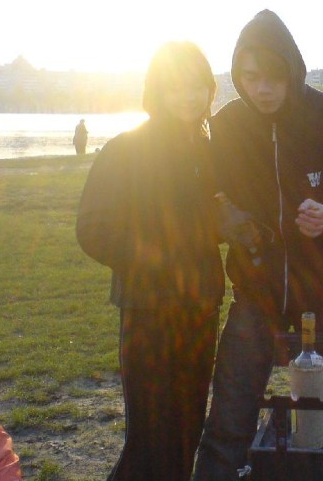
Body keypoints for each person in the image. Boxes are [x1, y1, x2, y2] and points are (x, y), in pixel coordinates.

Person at [194, 10, 323, 481]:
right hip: (256, 291)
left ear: (293, 71)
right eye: (250, 77)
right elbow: (211, 198)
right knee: (230, 412)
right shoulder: (226, 126)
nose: (262, 89)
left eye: (274, 77)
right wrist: (226, 218)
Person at [76, 41, 223, 481]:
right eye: (176, 86)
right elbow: (94, 229)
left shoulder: (208, 151)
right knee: (149, 437)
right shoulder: (127, 149)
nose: (188, 97)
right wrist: (159, 261)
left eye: (197, 86)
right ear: (157, 90)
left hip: (200, 308)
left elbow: (208, 220)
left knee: (188, 429)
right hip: (148, 310)